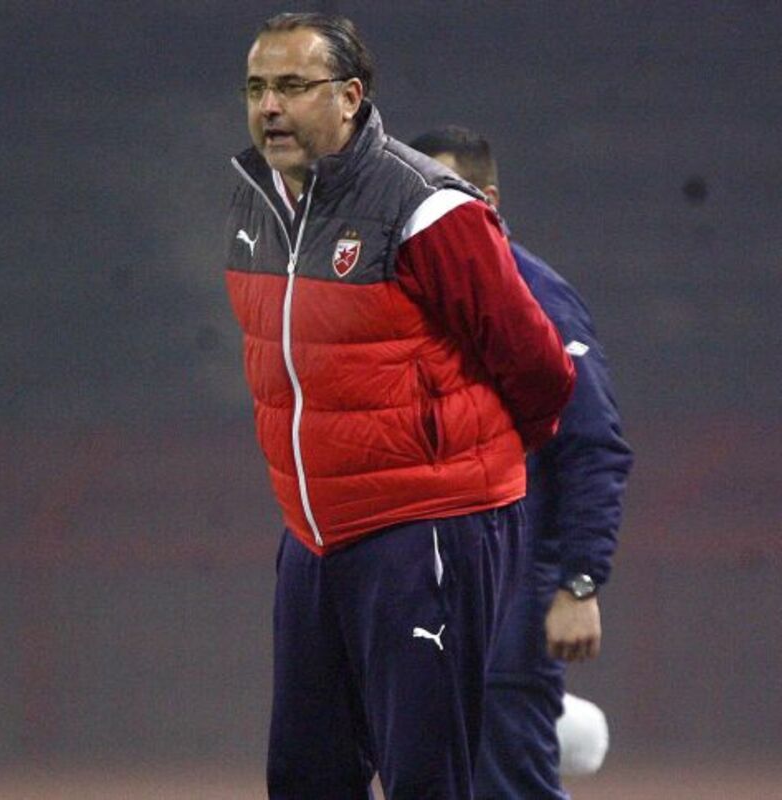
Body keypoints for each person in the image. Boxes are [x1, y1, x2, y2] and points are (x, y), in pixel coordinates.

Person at [223, 13, 577, 799]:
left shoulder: (427, 208)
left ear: (350, 97)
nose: (269, 106)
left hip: (425, 528)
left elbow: (539, 367)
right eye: (256, 87)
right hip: (313, 534)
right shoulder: (255, 203)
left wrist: (460, 467)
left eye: (292, 86)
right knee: (305, 776)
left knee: (425, 777)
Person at [410, 126, 633, 799]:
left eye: (445, 197)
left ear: (488, 202)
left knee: (506, 781)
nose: (427, 216)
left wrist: (580, 583)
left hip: (509, 597)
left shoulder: (537, 298)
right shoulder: (406, 304)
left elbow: (592, 448)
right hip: (427, 597)